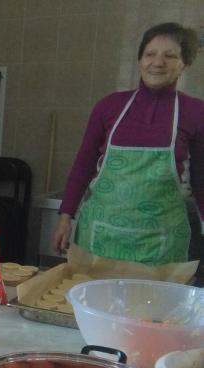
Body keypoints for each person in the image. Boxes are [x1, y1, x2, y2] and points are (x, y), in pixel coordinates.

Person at [53, 22, 204, 265]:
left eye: (170, 56)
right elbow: (83, 165)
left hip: (161, 242)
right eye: (150, 54)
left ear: (184, 63)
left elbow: (201, 179)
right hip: (100, 234)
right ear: (140, 60)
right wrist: (65, 216)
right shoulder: (108, 106)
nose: (158, 62)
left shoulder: (196, 112)